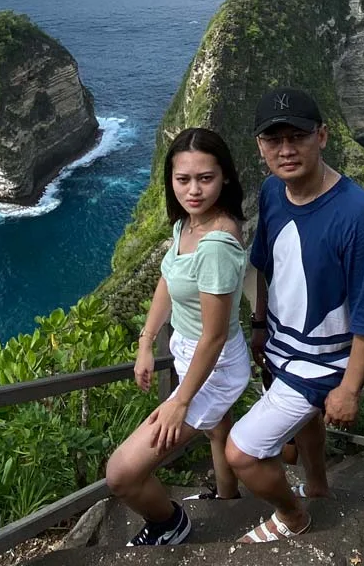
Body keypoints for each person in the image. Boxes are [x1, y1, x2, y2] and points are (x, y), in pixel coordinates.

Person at [225, 88, 364, 543]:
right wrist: (260, 324)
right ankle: (317, 486)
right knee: (308, 425)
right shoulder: (271, 192)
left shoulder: (359, 218)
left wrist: (349, 390)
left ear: (321, 136)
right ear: (259, 147)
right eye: (273, 139)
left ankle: (293, 517)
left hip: (323, 363)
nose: (286, 150)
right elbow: (267, 265)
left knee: (241, 452)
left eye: (297, 136)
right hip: (282, 345)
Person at [105, 127, 251, 547]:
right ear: (170, 179)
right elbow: (169, 278)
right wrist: (146, 340)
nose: (193, 190)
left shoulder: (216, 245)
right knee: (217, 428)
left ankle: (169, 522)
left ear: (225, 177)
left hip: (215, 368)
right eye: (183, 179)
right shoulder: (186, 225)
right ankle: (227, 498)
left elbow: (215, 336)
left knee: (122, 473)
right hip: (189, 354)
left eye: (205, 178)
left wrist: (179, 403)